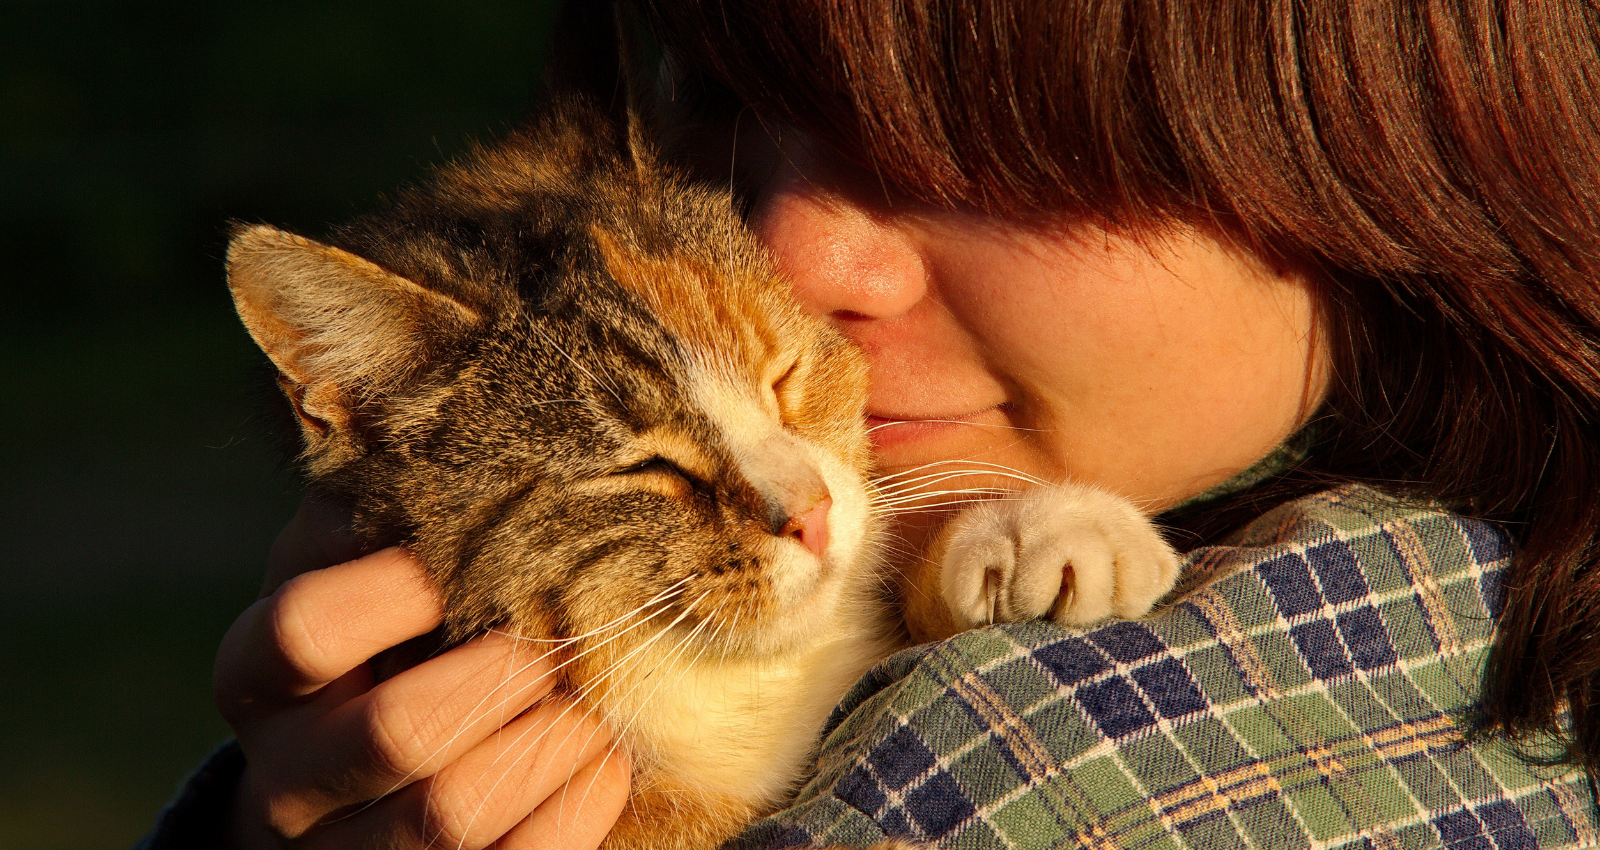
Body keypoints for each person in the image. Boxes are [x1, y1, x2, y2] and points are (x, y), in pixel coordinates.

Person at [140, 0, 1600, 847]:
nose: (789, 258)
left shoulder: (1003, 788)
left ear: (1386, 123)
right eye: (727, 106)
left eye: (965, 149)